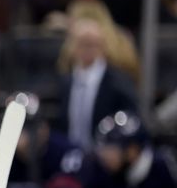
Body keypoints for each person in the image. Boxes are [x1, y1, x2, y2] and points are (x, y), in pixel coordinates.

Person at [53, 17, 137, 151]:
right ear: (72, 46)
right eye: (82, 43)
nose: (88, 49)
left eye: (92, 44)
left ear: (103, 46)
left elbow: (132, 118)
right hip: (69, 154)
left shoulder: (118, 81)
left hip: (104, 156)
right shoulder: (65, 81)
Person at [80, 112, 177, 188]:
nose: (104, 156)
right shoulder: (98, 170)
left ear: (132, 151)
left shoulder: (163, 171)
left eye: (110, 149)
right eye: (102, 149)